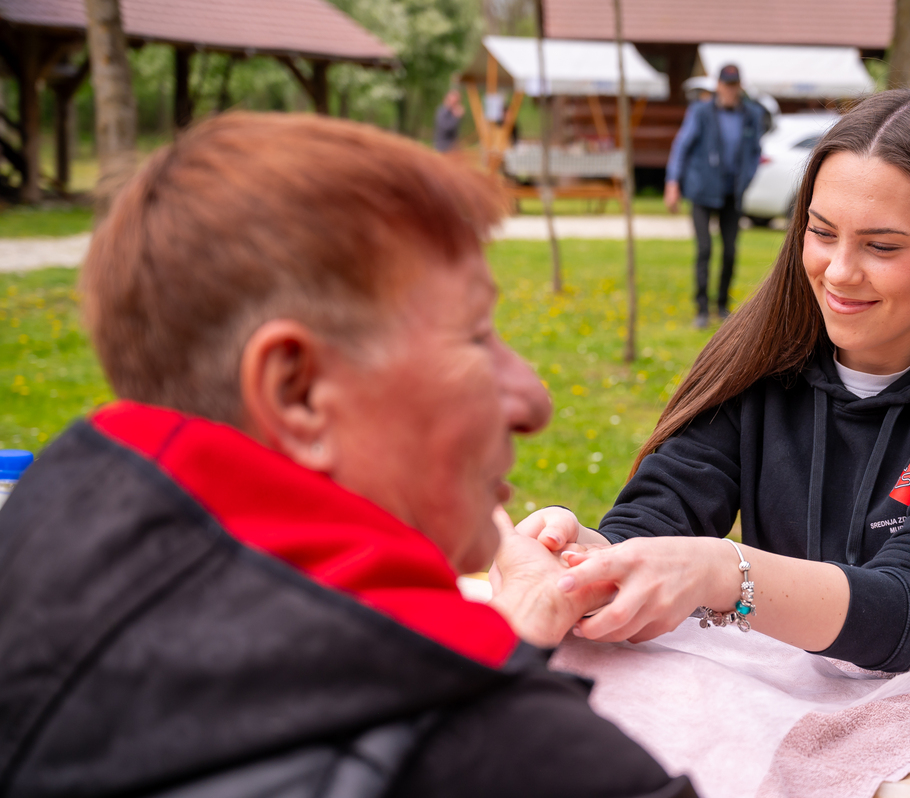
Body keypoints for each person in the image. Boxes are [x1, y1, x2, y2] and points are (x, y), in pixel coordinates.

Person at [0, 113, 695, 798]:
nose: (533, 401)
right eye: (476, 336)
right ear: (297, 392)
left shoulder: (38, 555)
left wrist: (508, 634)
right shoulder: (534, 761)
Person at [517, 89, 910, 680]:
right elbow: (663, 513)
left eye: (881, 245)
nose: (839, 272)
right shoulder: (762, 359)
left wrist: (724, 572)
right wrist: (590, 557)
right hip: (791, 707)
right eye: (821, 232)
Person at [665, 63, 765, 328]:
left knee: (730, 251)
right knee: (705, 249)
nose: (730, 90)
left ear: (739, 86)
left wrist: (747, 178)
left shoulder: (751, 114)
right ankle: (701, 308)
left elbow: (755, 151)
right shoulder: (701, 112)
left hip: (732, 192)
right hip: (701, 189)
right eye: (726, 85)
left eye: (734, 85)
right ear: (718, 85)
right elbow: (682, 146)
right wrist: (673, 182)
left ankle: (721, 306)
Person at [433, 88, 464, 152]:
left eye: (457, 102)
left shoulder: (452, 112)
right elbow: (446, 128)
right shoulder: (442, 111)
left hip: (452, 148)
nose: (456, 104)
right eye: (455, 102)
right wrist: (456, 117)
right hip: (442, 148)